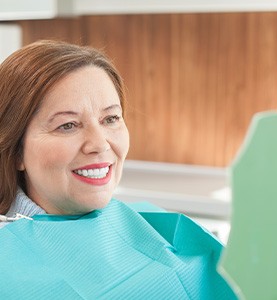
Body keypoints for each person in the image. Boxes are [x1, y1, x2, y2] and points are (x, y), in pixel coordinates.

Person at [0, 40, 237, 299]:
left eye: (110, 119)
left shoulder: (158, 224)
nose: (100, 143)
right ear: (15, 151)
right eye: (67, 125)